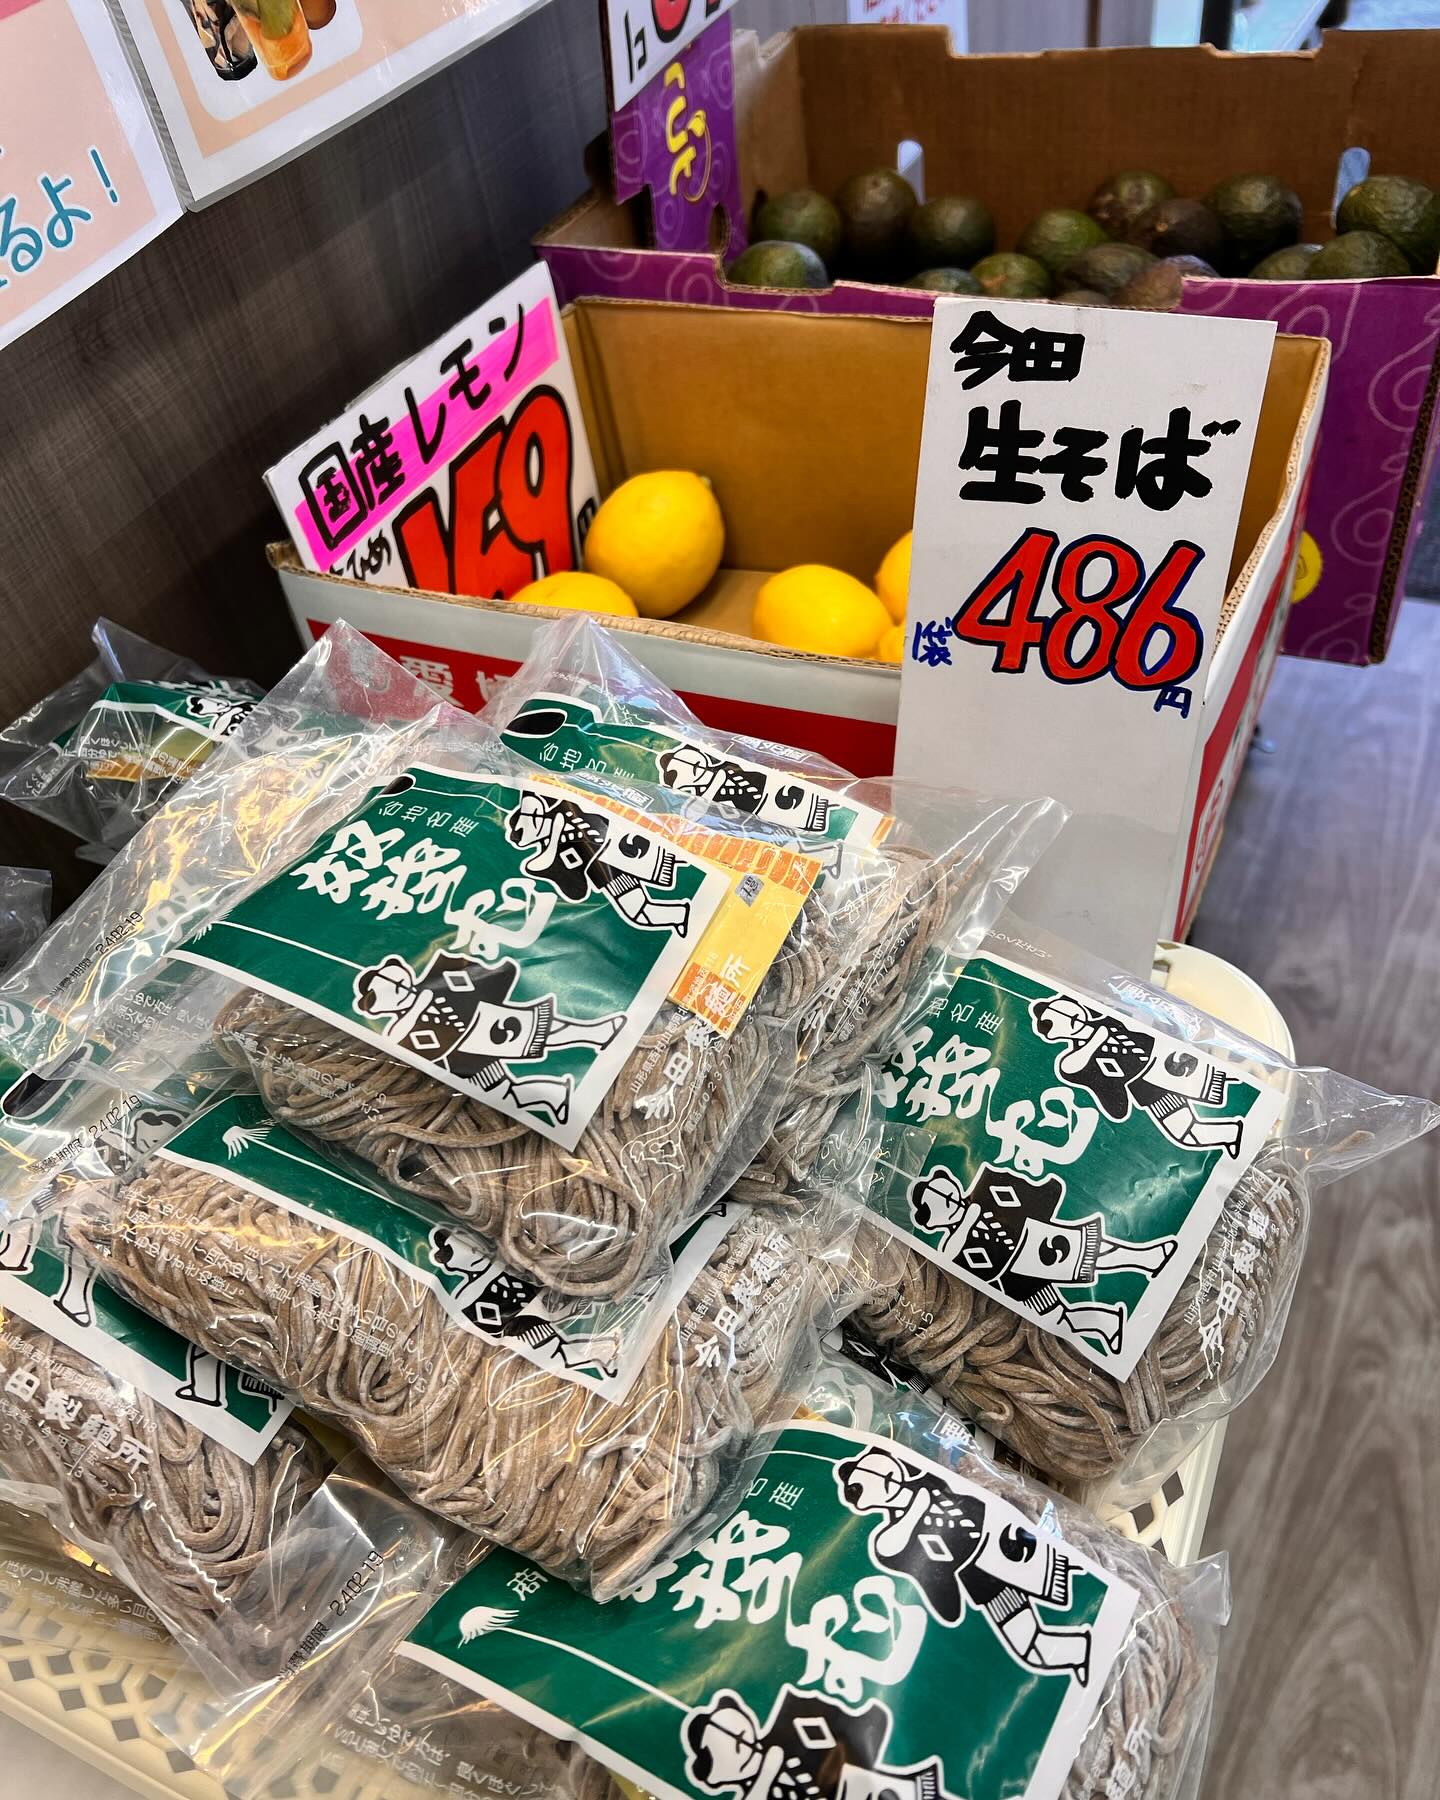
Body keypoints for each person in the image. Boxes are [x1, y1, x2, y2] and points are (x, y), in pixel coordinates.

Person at [834, 1445, 1092, 1684]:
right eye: (866, 1484)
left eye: (881, 1472)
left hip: (1005, 1537)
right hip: (983, 1583)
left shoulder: (930, 1481)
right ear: (863, 1502)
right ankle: (1082, 1651)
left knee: (1067, 1572)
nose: (884, 1479)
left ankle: (1095, 1618)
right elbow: (899, 1553)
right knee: (1030, 1643)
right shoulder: (891, 1538)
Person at [908, 1163, 1177, 1357]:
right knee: (1054, 1317)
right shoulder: (953, 1246)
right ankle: (1105, 1323)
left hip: (1037, 1240)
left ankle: (1146, 1258)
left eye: (949, 1193)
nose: (951, 1200)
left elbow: (1019, 1191)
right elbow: (969, 1265)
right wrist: (968, 1224)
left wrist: (1043, 1189)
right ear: (931, 1222)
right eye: (942, 1204)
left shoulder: (986, 1187)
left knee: (1090, 1252)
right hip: (1016, 1280)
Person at [354, 951, 624, 1126]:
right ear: (376, 1008)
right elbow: (398, 1037)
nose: (398, 986)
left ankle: (595, 1033)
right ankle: (553, 1096)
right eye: (386, 990)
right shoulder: (399, 1027)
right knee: (499, 1092)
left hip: (488, 1022)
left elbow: (471, 975)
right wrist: (418, 1006)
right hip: (464, 1058)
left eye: (396, 980)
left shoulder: (438, 974)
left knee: (540, 1030)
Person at [1029, 993, 1244, 1158]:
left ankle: (1250, 1115)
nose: (1067, 1018)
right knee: (1186, 1132)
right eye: (1054, 1021)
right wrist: (1096, 1041)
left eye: (1067, 1011)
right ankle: (1233, 1134)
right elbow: (1073, 1068)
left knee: (1228, 1077)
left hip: (1165, 1058)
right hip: (1146, 1089)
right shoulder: (1075, 1059)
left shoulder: (1109, 1016)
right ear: (1054, 1034)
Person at [684, 1686, 948, 1800]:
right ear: (712, 1775)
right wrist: (766, 1775)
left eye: (739, 1734)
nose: (740, 1741)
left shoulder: (790, 1721)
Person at [428, 1226, 620, 1378]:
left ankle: (594, 1357)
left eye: (470, 1247)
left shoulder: (499, 1264)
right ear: (449, 1261)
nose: (471, 1249)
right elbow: (484, 1321)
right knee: (554, 1348)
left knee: (556, 1345)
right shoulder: (471, 1290)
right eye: (461, 1249)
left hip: (528, 1321)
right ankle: (593, 1358)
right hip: (520, 1328)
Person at [504, 790, 694, 935]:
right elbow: (576, 890)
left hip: (621, 840)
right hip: (606, 874)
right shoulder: (552, 853)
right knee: (639, 912)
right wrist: (552, 847)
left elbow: (537, 789)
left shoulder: (562, 804)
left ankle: (696, 884)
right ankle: (681, 915)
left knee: (676, 853)